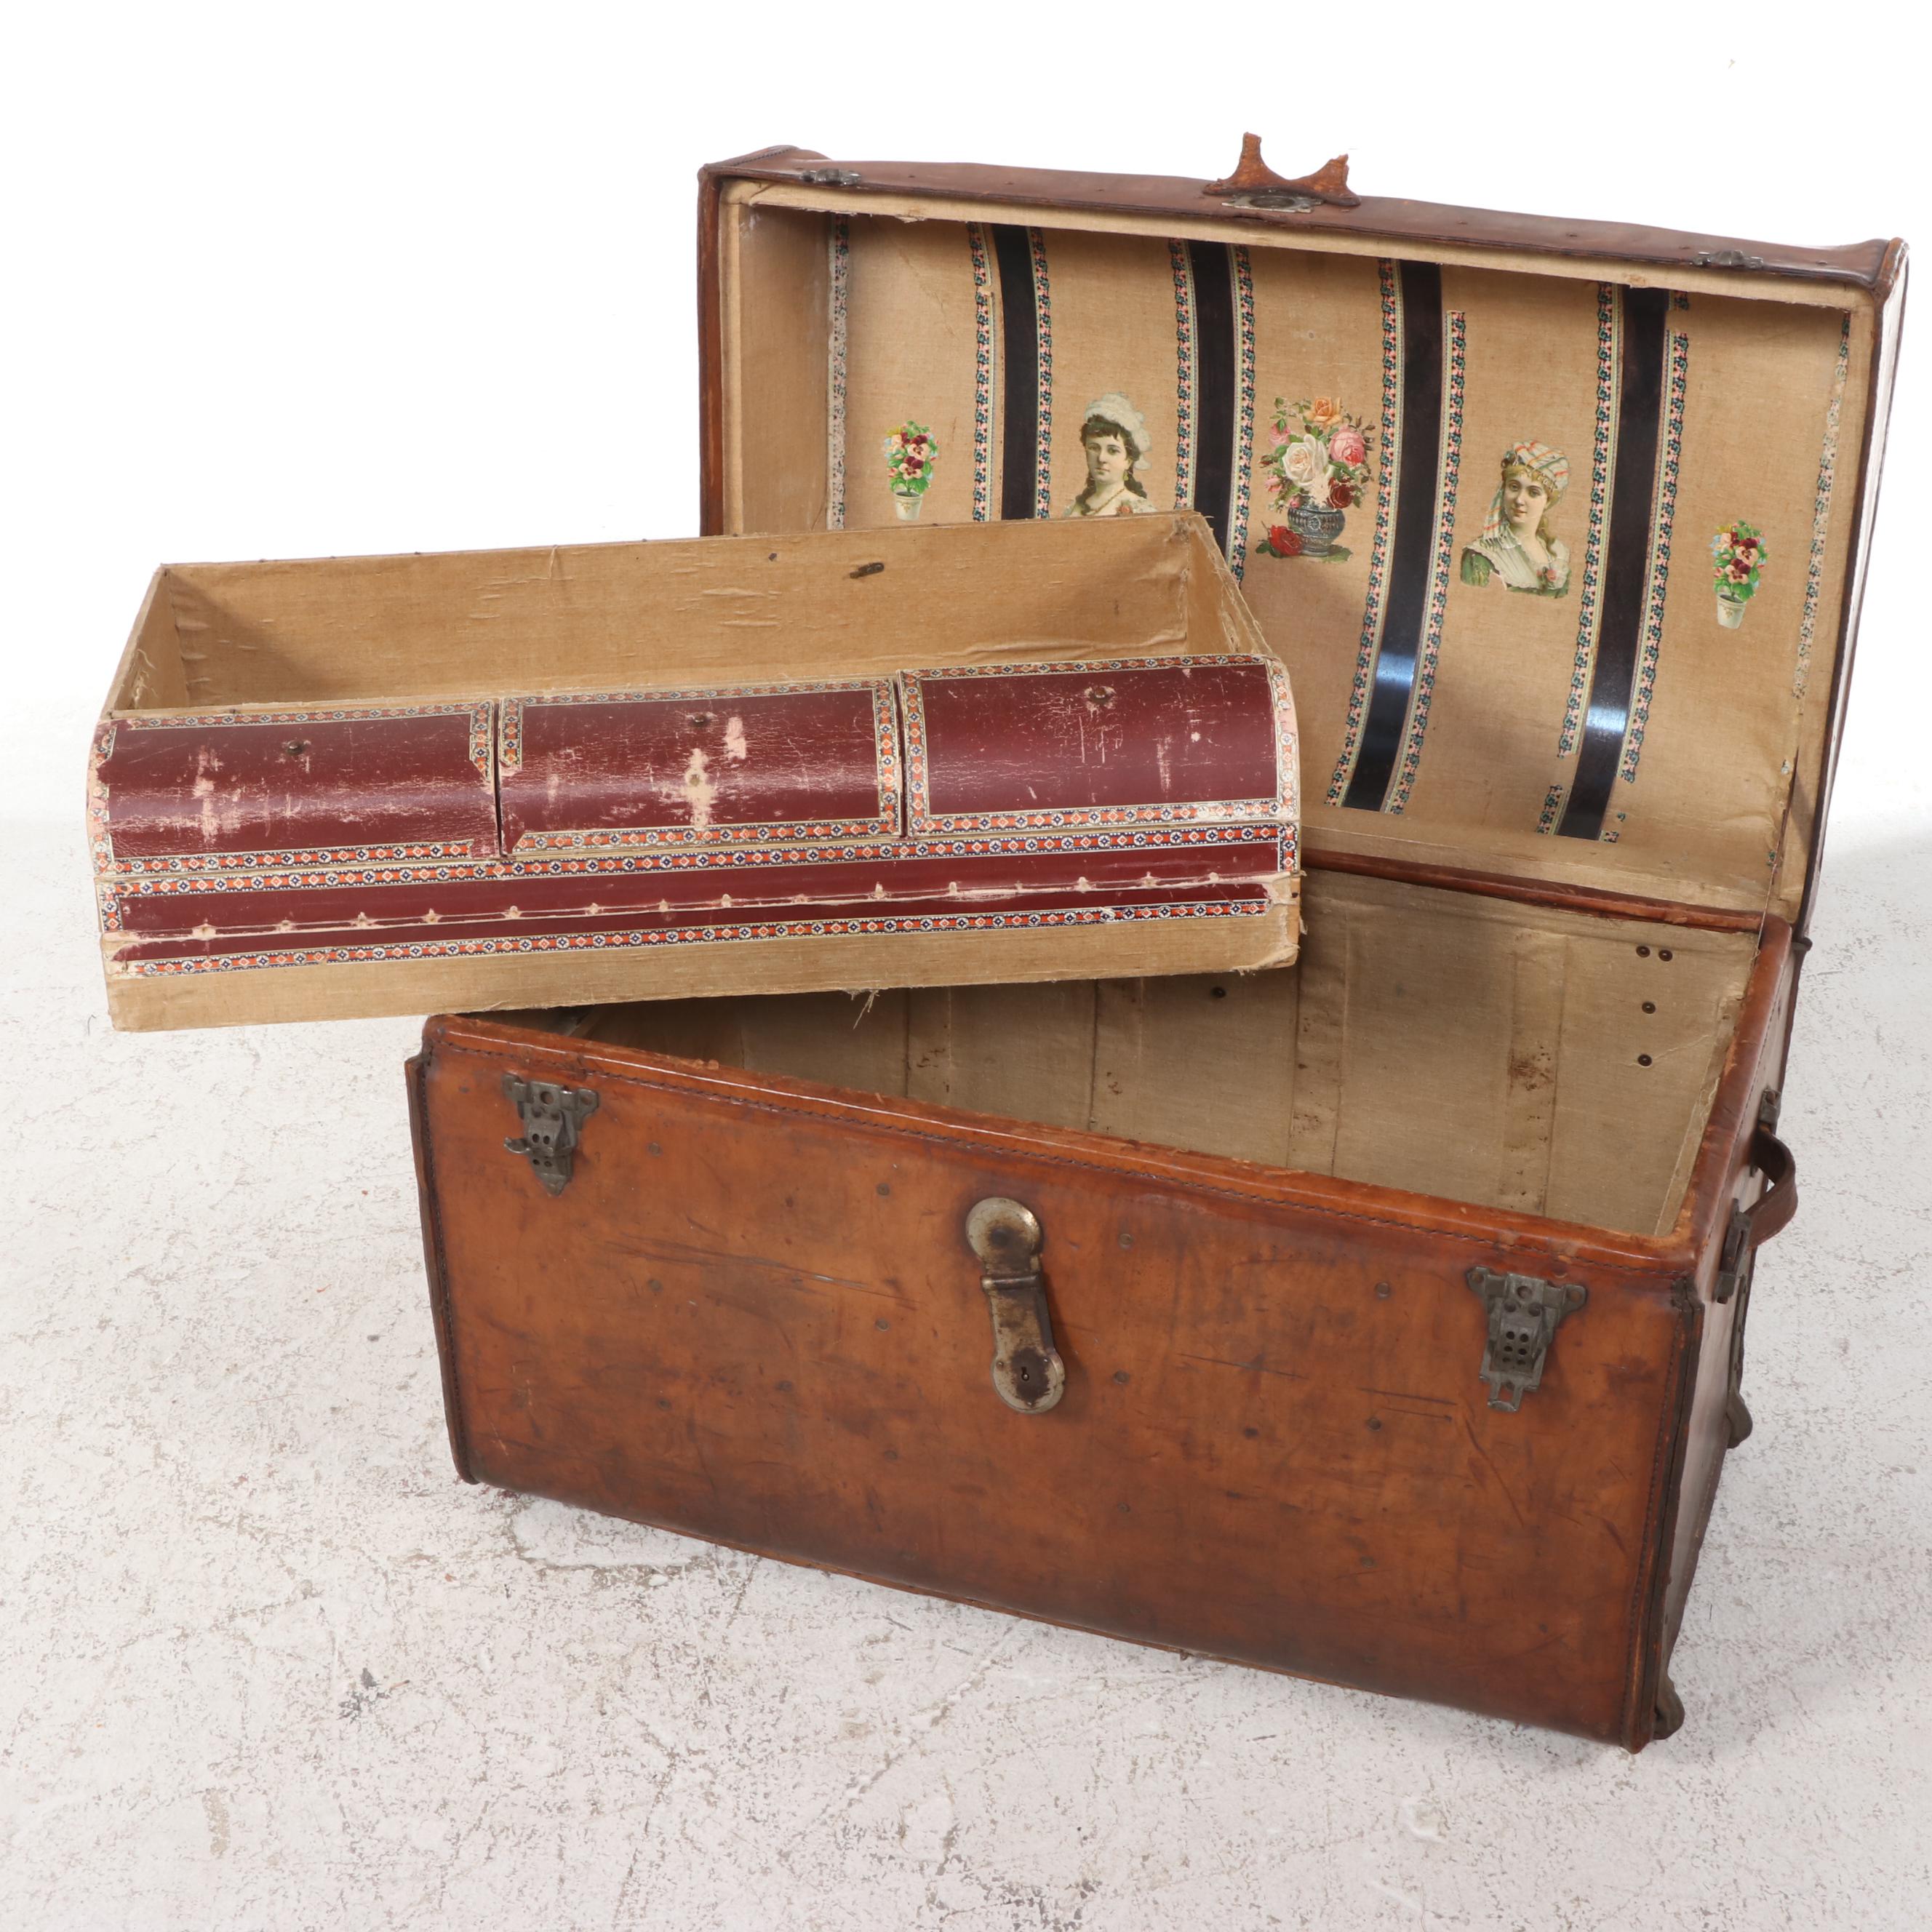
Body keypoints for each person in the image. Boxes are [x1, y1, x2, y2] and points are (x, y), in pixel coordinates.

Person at [1460, 442, 1571, 596]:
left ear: (1547, 502)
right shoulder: (1481, 555)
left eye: (1533, 492)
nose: (1519, 500)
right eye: (1514, 487)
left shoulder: (1558, 552)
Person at [1066, 394, 1157, 516]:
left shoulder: (1141, 510)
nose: (1101, 458)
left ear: (1129, 461)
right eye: (1094, 448)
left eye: (1113, 451)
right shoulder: (1074, 509)